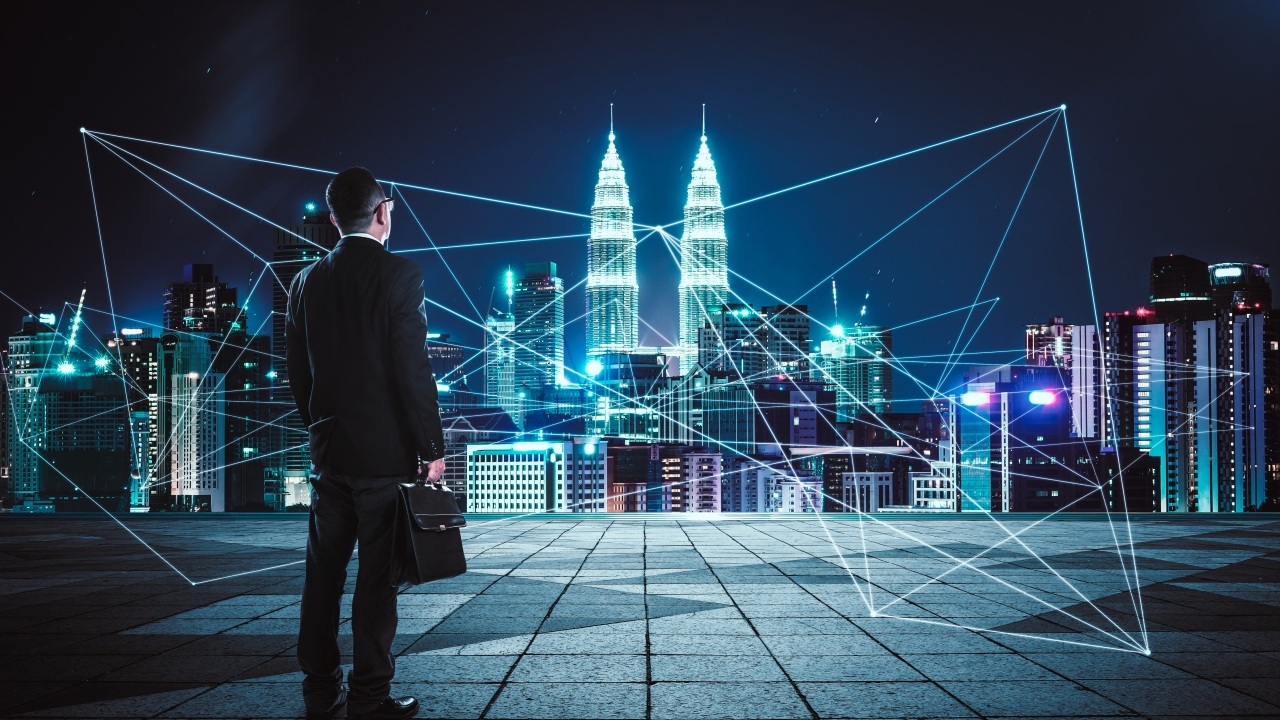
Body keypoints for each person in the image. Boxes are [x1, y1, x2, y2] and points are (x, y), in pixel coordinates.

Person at [287, 167, 445, 720]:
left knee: (322, 579)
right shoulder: (401, 273)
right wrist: (432, 446)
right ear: (381, 213)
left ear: (333, 219)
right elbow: (412, 370)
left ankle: (318, 695)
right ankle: (370, 700)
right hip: (385, 460)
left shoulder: (306, 280)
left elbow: (297, 374)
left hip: (330, 456)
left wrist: (320, 429)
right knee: (377, 584)